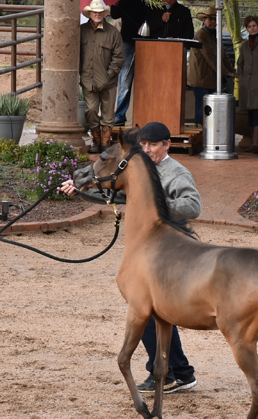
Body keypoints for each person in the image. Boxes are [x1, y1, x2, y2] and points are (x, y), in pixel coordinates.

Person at [58, 122, 201, 394]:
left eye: (153, 145)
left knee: (145, 308)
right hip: (148, 249)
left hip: (170, 249)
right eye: (144, 145)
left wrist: (154, 203)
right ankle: (180, 372)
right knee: (156, 309)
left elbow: (193, 206)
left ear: (167, 145)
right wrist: (80, 187)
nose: (147, 149)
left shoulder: (176, 172)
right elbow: (115, 192)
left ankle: (168, 371)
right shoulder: (137, 166)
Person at [80, 0, 125, 153]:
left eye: (100, 12)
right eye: (94, 12)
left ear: (104, 13)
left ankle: (105, 144)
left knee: (108, 113)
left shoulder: (113, 33)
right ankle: (96, 140)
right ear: (90, 13)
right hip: (88, 80)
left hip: (109, 82)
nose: (97, 14)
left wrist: (109, 75)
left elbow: (119, 57)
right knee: (91, 111)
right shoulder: (81, 30)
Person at [188, 7, 235, 127]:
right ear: (204, 20)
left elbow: (223, 55)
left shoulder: (215, 35)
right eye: (210, 19)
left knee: (209, 108)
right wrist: (226, 72)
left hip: (210, 79)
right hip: (201, 78)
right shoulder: (201, 35)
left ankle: (207, 133)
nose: (213, 21)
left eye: (215, 19)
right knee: (202, 106)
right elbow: (211, 57)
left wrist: (232, 71)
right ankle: (200, 133)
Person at [110, 0, 153, 127]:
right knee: (125, 80)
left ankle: (147, 114)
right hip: (128, 41)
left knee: (146, 80)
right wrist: (115, 3)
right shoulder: (122, 2)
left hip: (147, 41)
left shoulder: (147, 2)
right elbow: (114, 14)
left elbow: (151, 17)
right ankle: (119, 115)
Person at [237, 15, 258, 154]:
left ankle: (257, 142)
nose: (252, 28)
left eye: (254, 26)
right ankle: (252, 141)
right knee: (250, 112)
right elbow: (240, 63)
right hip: (246, 84)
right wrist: (241, 76)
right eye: (249, 27)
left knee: (257, 111)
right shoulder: (244, 45)